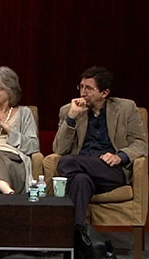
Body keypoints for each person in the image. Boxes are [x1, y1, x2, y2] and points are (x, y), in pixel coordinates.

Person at [54, 66, 147, 226]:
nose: (83, 93)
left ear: (104, 93)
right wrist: (71, 118)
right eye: (81, 87)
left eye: (89, 88)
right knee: (80, 181)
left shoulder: (126, 109)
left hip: (111, 170)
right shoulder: (69, 111)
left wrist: (120, 157)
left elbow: (141, 143)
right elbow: (59, 149)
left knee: (66, 162)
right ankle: (77, 237)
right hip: (82, 168)